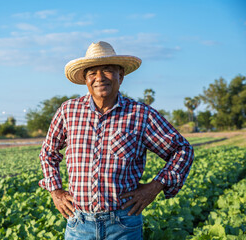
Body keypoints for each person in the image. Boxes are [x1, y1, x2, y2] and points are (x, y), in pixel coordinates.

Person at [39, 41, 194, 239]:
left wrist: (155, 187)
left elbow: (182, 150)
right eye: (92, 73)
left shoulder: (140, 114)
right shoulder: (68, 111)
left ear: (121, 75)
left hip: (123, 224)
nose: (99, 78)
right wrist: (56, 192)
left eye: (107, 70)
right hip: (79, 224)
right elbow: (48, 152)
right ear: (85, 80)